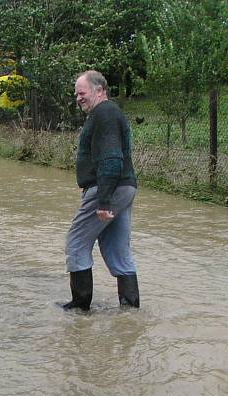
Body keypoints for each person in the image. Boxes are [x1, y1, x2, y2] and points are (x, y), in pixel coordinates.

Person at [62, 70, 139, 311]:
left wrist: (104, 201)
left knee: (76, 242)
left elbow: (111, 158)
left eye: (81, 93)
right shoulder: (109, 113)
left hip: (107, 189)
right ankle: (130, 309)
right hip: (123, 187)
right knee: (117, 247)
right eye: (76, 94)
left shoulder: (104, 113)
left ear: (99, 90)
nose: (78, 98)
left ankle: (80, 308)